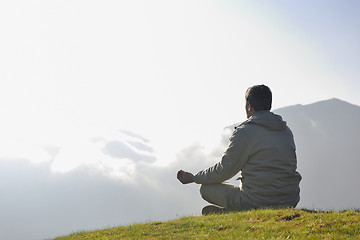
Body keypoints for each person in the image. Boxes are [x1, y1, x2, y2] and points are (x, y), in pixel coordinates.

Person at [177, 84, 302, 215]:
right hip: (289, 200)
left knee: (206, 188)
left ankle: (231, 212)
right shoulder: (285, 130)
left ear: (249, 106)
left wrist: (195, 178)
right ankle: (231, 212)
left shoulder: (245, 132)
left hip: (257, 201)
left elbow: (223, 171)